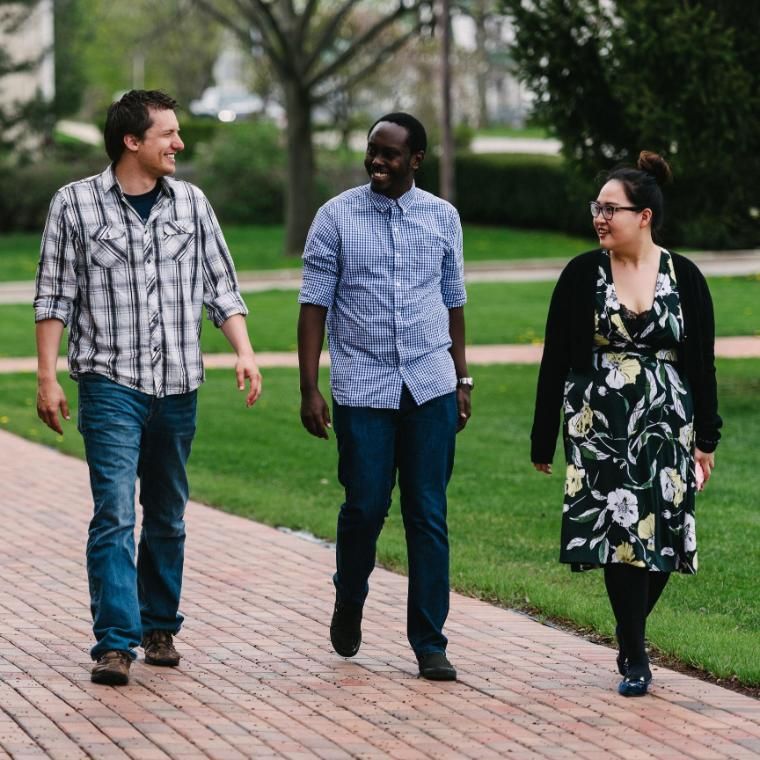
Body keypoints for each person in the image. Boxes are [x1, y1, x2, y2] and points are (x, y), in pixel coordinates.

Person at [34, 90, 262, 686]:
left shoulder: (192, 204)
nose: (179, 144)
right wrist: (47, 375)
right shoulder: (75, 206)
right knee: (114, 513)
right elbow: (54, 296)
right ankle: (115, 641)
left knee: (166, 512)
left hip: (179, 384)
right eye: (169, 134)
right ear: (132, 141)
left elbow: (222, 284)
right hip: (110, 383)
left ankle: (159, 624)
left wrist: (244, 351)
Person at [531, 151, 721, 697]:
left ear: (644, 215)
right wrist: (544, 436)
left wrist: (706, 436)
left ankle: (627, 631)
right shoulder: (580, 274)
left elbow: (701, 362)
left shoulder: (683, 275)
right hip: (599, 425)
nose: (599, 217)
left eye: (611, 208)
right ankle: (636, 654)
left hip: (668, 424)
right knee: (618, 537)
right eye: (597, 207)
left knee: (663, 533)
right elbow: (554, 359)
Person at [297, 112, 471, 681]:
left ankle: (429, 642)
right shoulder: (335, 217)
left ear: (416, 159)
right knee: (365, 506)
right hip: (362, 387)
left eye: (390, 153)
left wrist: (461, 378)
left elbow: (453, 301)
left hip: (429, 385)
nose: (377, 160)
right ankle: (349, 599)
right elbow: (313, 305)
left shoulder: (443, 217)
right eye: (373, 150)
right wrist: (309, 387)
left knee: (428, 514)